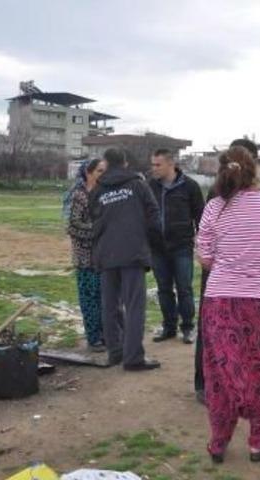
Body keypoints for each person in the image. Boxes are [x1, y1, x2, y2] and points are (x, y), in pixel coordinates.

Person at [196, 145, 260, 463]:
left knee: (221, 374)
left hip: (221, 303)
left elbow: (206, 258)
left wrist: (232, 262)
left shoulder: (214, 208)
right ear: (256, 171)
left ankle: (218, 443)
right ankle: (258, 443)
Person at [194, 138, 258, 404]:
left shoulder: (215, 196)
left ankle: (209, 385)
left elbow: (203, 246)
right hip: (243, 278)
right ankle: (215, 386)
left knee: (214, 329)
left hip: (218, 276)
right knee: (239, 332)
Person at [89, 148, 163, 371]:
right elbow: (153, 216)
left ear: (106, 164)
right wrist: (153, 244)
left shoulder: (97, 189)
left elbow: (94, 218)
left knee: (109, 305)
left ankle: (115, 352)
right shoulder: (138, 184)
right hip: (133, 253)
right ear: (125, 163)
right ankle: (133, 358)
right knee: (134, 306)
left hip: (106, 253)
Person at [148, 149, 205, 344]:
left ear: (171, 164)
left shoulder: (190, 186)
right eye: (153, 164)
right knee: (164, 289)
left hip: (181, 247)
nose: (153, 168)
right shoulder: (149, 186)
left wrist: (202, 244)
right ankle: (169, 327)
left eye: (158, 164)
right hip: (157, 248)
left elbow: (201, 218)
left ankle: (188, 328)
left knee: (184, 288)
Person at [64, 158, 107, 352]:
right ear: (88, 173)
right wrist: (97, 231)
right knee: (89, 299)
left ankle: (107, 335)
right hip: (85, 259)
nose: (103, 174)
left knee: (105, 298)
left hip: (104, 257)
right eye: (99, 171)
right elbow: (73, 226)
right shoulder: (79, 195)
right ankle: (94, 338)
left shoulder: (104, 194)